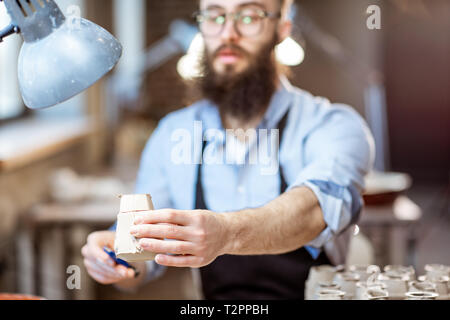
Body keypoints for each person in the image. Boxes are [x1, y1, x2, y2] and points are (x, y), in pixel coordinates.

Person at [81, 0, 375, 299]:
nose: (228, 33)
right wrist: (115, 259)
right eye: (215, 16)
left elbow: (313, 212)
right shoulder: (172, 134)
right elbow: (138, 259)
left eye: (249, 17)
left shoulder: (333, 126)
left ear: (282, 29)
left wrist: (226, 234)